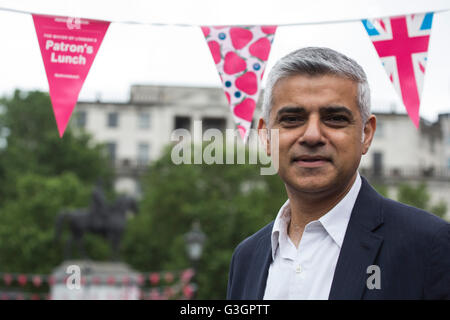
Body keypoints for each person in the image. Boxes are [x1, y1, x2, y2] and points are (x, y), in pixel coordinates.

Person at [227, 47, 450, 300]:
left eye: (334, 118)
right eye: (291, 118)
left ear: (366, 134)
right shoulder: (246, 258)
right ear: (266, 136)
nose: (311, 135)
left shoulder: (428, 245)